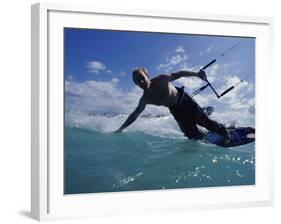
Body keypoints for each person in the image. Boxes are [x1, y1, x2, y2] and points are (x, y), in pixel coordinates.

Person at [114, 67, 229, 141]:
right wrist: (121, 129)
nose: (141, 82)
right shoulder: (145, 99)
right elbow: (135, 115)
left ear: (147, 75)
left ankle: (225, 132)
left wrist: (197, 74)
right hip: (175, 110)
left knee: (205, 122)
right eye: (137, 81)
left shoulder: (161, 79)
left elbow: (179, 73)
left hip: (184, 100)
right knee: (191, 135)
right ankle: (206, 136)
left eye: (142, 78)